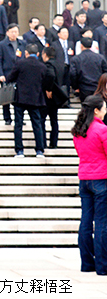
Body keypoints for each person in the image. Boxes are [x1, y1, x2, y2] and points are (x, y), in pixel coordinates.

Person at [71, 95, 107, 276]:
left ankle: (87, 263)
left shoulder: (79, 130)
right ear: (96, 110)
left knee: (86, 221)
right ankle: (102, 265)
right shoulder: (102, 130)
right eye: (104, 107)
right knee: (101, 222)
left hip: (84, 178)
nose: (106, 110)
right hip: (101, 178)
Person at [7, 44, 46, 158]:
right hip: (35, 99)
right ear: (37, 54)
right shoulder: (42, 66)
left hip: (20, 98)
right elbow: (45, 81)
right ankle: (39, 150)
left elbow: (10, 78)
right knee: (37, 124)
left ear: (26, 53)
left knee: (18, 125)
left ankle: (19, 150)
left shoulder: (20, 64)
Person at [0, 24, 26, 125]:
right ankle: (7, 118)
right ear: (7, 33)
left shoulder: (22, 43)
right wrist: (0, 74)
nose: (14, 34)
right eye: (12, 32)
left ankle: (20, 118)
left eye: (16, 32)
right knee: (6, 97)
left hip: (20, 75)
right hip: (7, 74)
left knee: (20, 98)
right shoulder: (2, 44)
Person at [41, 46, 66, 149]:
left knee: (42, 120)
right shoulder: (59, 64)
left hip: (48, 97)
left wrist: (48, 88)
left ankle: (43, 142)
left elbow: (51, 76)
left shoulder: (48, 65)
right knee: (54, 120)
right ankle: (53, 142)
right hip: (56, 97)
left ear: (45, 55)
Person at [71, 37, 107, 102]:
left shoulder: (76, 59)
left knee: (86, 105)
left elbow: (73, 74)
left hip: (83, 87)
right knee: (98, 105)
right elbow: (105, 72)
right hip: (98, 87)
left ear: (81, 46)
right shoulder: (100, 57)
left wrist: (75, 87)